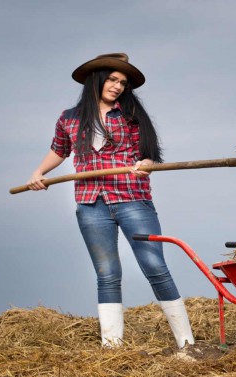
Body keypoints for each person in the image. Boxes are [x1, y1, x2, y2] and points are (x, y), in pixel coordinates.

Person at [27, 53, 194, 349]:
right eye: (113, 79)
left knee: (155, 266)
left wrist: (145, 163)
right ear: (97, 78)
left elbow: (147, 154)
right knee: (107, 273)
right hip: (91, 203)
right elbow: (60, 150)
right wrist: (38, 172)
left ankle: (186, 344)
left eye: (123, 82)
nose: (117, 86)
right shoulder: (69, 118)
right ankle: (112, 349)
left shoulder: (130, 116)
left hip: (132, 197)